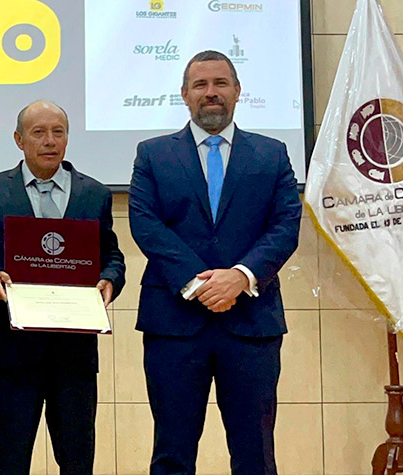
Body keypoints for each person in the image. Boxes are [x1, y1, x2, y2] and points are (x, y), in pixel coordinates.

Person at [128, 50, 301, 475]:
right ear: (184, 94)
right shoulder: (153, 154)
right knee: (172, 451)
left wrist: (240, 277)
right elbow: (145, 223)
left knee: (255, 453)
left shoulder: (272, 153)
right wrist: (197, 282)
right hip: (174, 322)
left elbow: (286, 225)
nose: (211, 93)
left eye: (221, 84)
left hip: (251, 323)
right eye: (201, 85)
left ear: (238, 92)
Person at [0, 100, 125, 475]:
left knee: (77, 458)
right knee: (7, 458)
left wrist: (109, 280)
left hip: (74, 353)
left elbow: (112, 256)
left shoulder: (95, 194)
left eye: (58, 132)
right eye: (39, 132)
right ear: (19, 139)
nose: (50, 141)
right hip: (11, 351)